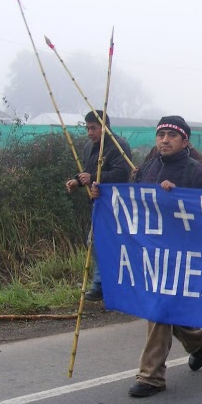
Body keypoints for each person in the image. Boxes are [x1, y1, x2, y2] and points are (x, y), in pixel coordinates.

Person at [90, 115, 202, 397]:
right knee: (164, 308)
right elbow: (131, 202)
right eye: (161, 135)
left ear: (185, 141)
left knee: (158, 308)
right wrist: (102, 195)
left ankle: (151, 377)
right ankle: (198, 339)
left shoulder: (196, 172)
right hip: (150, 252)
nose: (165, 140)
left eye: (172, 136)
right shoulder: (147, 167)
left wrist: (179, 198)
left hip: (182, 254)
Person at [65, 110, 133, 301]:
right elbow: (87, 172)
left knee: (96, 242)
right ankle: (109, 284)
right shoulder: (89, 147)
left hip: (115, 204)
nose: (90, 133)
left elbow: (121, 174)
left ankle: (101, 285)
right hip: (97, 203)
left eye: (93, 128)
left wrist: (94, 178)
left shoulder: (119, 146)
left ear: (105, 127)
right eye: (87, 128)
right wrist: (77, 181)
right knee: (101, 243)